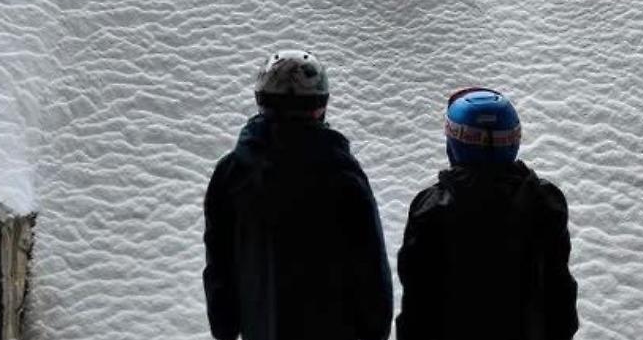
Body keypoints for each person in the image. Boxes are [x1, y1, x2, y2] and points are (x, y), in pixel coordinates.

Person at [203, 50, 393, 340]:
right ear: (320, 106)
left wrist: (225, 325)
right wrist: (374, 329)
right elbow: (370, 265)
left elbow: (220, 261)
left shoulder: (232, 173)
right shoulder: (343, 176)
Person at [395, 87, 579, 340]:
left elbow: (418, 306)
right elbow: (560, 297)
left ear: (454, 144)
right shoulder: (545, 202)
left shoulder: (431, 209)